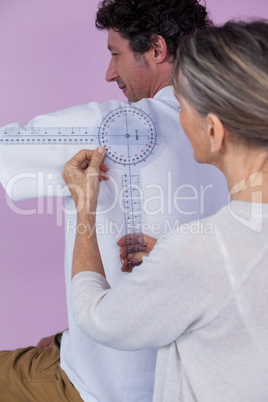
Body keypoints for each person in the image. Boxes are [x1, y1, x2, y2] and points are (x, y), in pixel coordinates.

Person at [0, 1, 227, 401]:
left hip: (102, 386)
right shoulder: (236, 136)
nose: (109, 74)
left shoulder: (113, 128)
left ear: (156, 50)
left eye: (115, 54)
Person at [62, 20, 268, 402]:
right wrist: (177, 261)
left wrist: (84, 211)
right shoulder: (212, 251)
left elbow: (97, 318)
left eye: (184, 105)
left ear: (214, 130)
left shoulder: (206, 250)